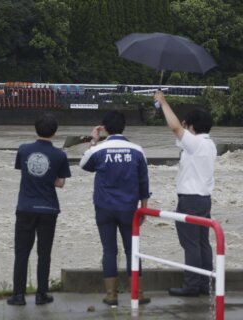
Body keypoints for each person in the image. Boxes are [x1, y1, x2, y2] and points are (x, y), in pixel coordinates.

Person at [79, 110, 151, 306]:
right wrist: (143, 207)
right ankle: (139, 293)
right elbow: (144, 181)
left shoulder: (99, 150)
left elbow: (83, 164)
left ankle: (111, 296)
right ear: (124, 127)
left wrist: (93, 141)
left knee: (109, 251)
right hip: (129, 208)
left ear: (105, 128)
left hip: (104, 207)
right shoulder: (137, 150)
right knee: (132, 250)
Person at [154, 91, 216, 297]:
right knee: (202, 243)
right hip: (204, 199)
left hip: (190, 199)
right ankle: (203, 284)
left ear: (192, 127)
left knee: (190, 244)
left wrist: (163, 102)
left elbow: (175, 127)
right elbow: (179, 131)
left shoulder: (196, 143)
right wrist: (184, 126)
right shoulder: (209, 144)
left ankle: (191, 286)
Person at [7, 113, 71, 306]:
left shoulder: (24, 150)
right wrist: (48, 176)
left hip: (25, 206)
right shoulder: (60, 155)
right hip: (48, 208)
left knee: (21, 252)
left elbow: (25, 171)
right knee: (44, 253)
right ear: (55, 132)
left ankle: (18, 295)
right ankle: (41, 294)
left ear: (35, 129)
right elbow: (60, 183)